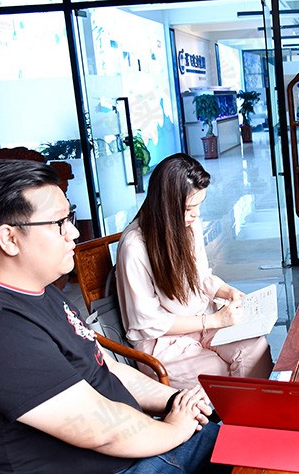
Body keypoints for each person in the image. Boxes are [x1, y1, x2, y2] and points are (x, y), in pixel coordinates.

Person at [0, 159, 239, 474]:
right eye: (59, 223)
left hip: (134, 457)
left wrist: (176, 401)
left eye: (70, 216)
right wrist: (174, 428)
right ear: (9, 238)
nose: (74, 231)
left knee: (254, 459)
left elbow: (107, 369)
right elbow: (101, 430)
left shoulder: (41, 292)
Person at [116, 153, 273, 389]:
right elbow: (148, 322)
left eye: (199, 205)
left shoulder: (188, 225)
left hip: (203, 322)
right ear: (165, 206)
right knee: (218, 372)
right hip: (164, 341)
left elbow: (201, 277)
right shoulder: (135, 246)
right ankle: (241, 410)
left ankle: (256, 411)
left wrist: (228, 291)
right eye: (189, 207)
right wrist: (213, 320)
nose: (196, 214)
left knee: (256, 350)